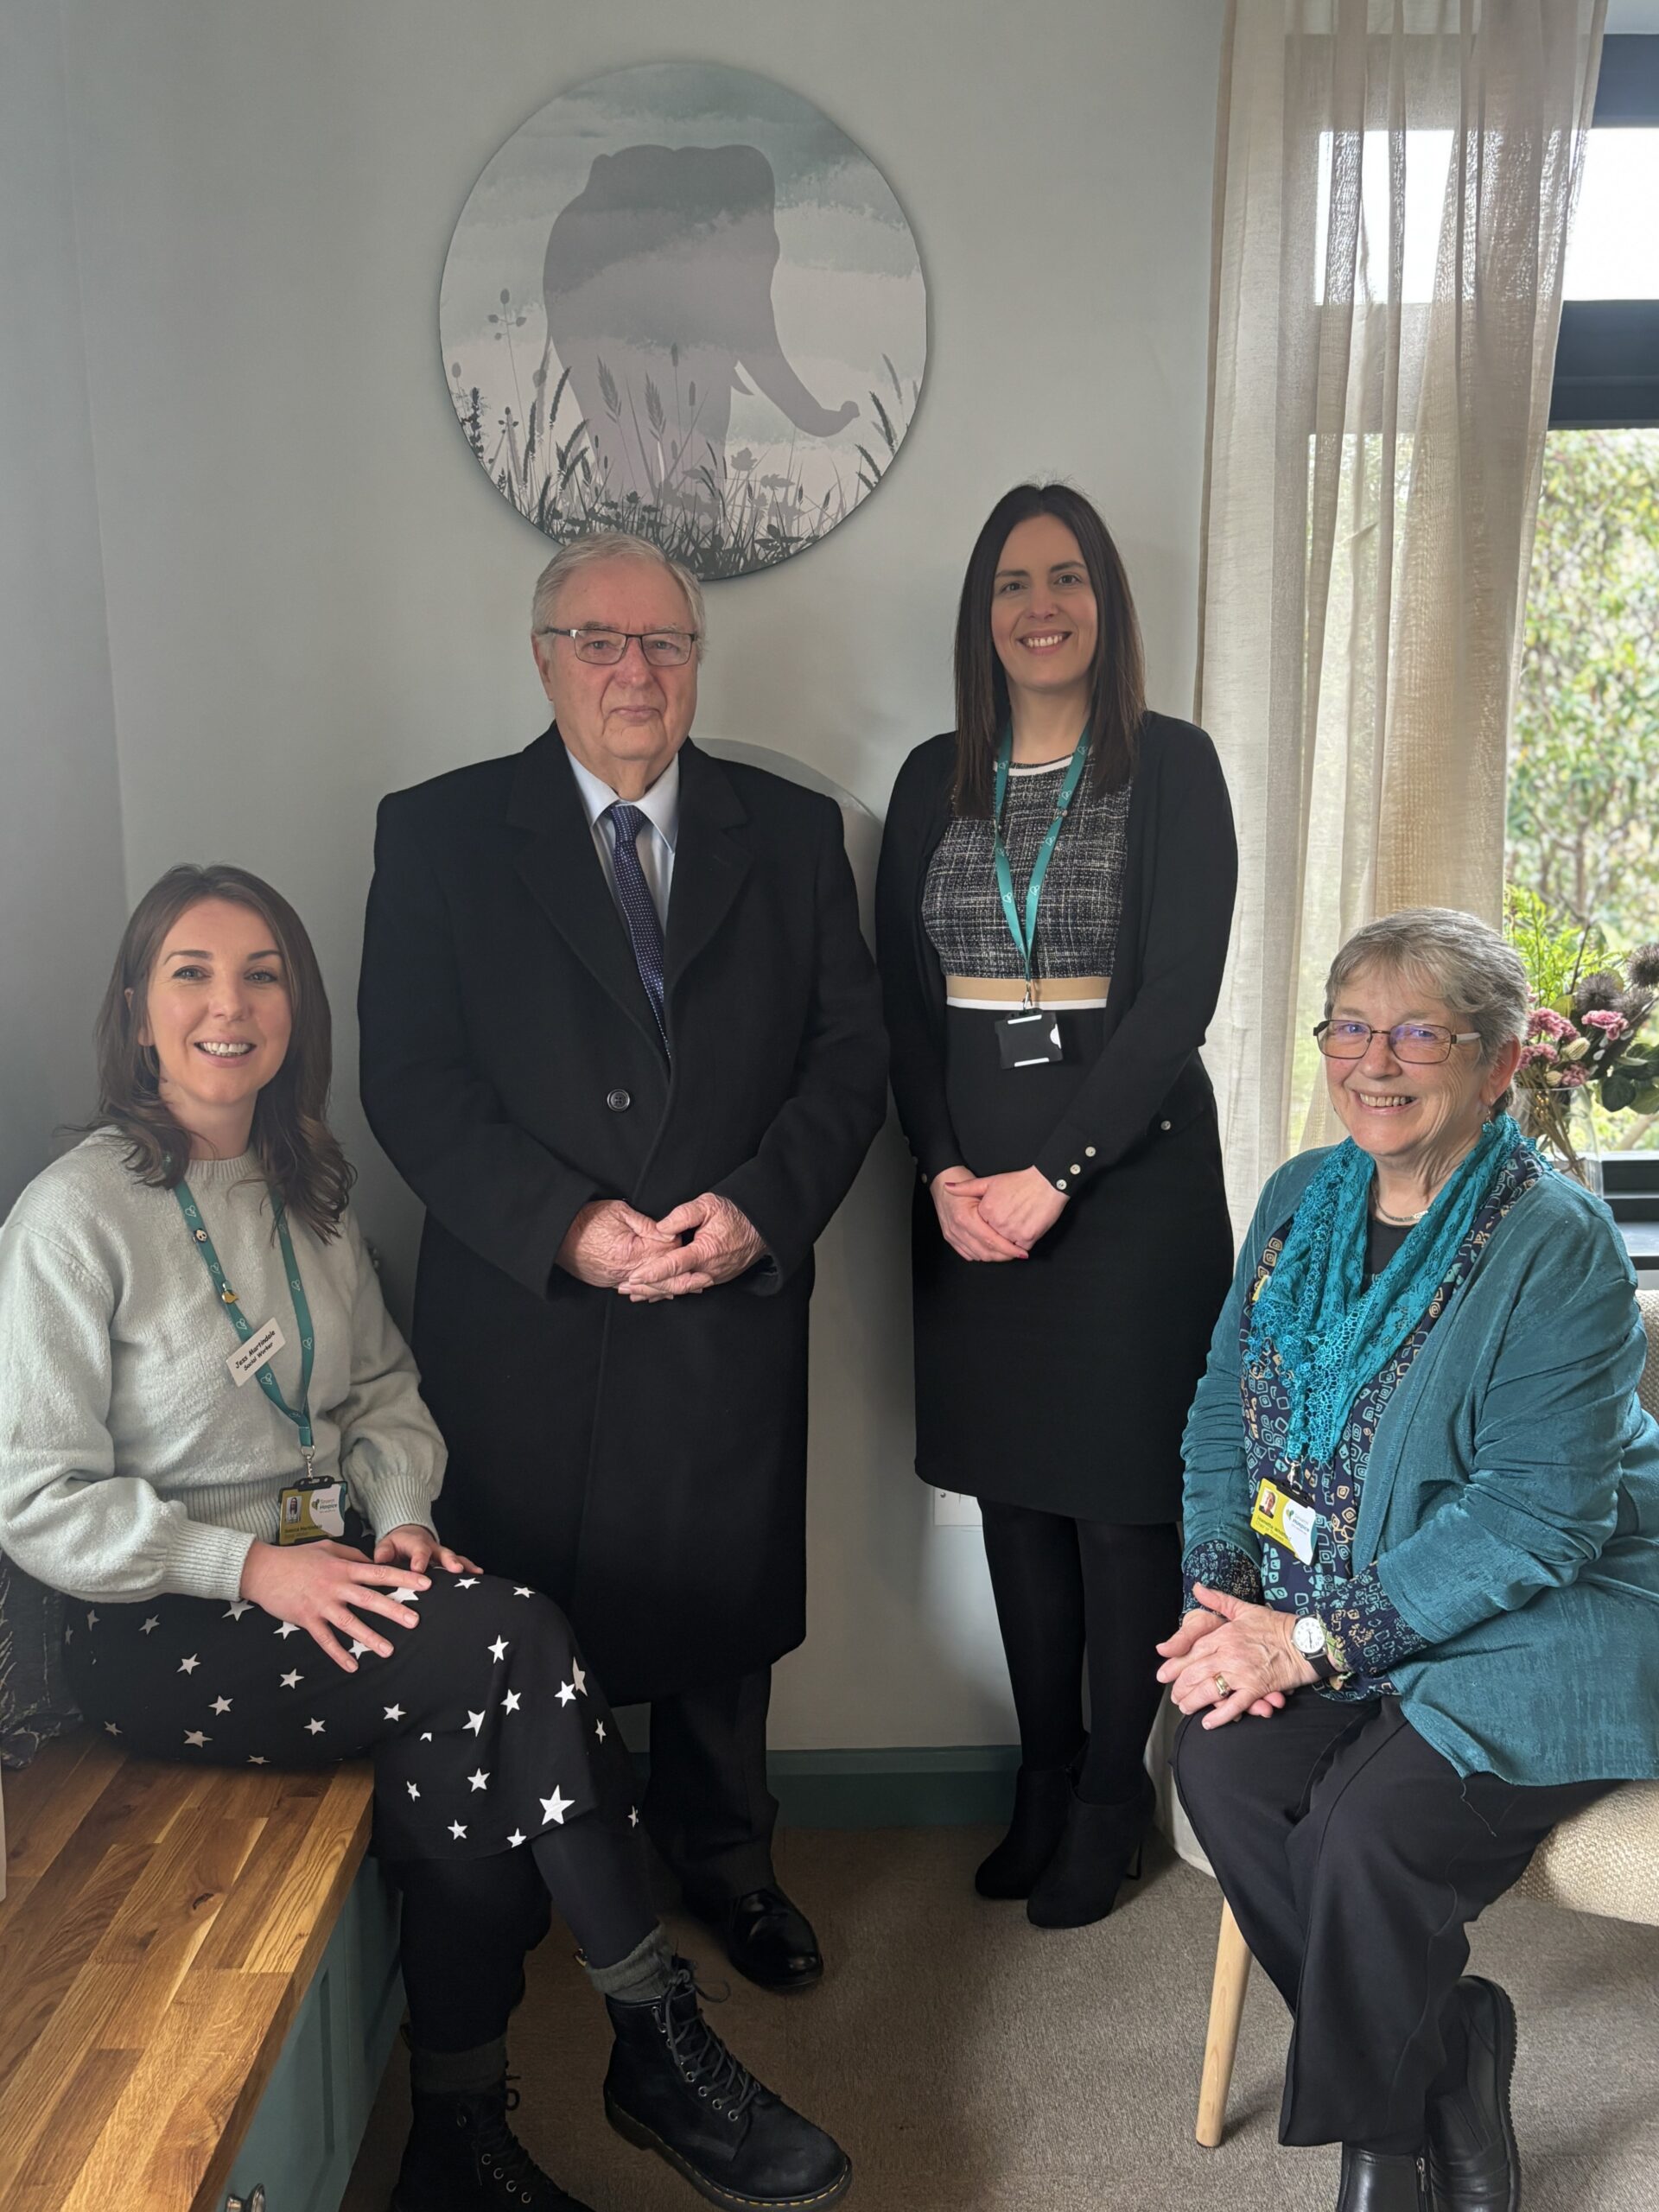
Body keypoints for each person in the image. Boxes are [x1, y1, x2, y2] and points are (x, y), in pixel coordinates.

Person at [0, 864, 852, 2212]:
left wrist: (397, 1521)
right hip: (162, 1625)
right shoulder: (71, 1217)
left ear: (298, 1008)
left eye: (264, 973)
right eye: (193, 973)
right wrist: (252, 1568)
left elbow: (383, 1394)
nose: (232, 1005)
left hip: (328, 1571)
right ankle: (655, 2039)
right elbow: (34, 1498)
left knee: (462, 1746)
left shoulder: (308, 1189)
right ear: (135, 1008)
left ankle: (456, 2143)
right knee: (517, 1640)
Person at [358, 535, 887, 1993]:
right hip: (528, 1308)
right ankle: (528, 1892)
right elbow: (410, 1080)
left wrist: (763, 1210)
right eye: (598, 641)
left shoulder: (789, 835)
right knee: (525, 1618)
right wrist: (568, 1228)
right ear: (543, 658)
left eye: (662, 644)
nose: (633, 671)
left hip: (726, 1289)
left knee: (721, 1618)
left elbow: (851, 1059)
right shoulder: (442, 832)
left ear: (697, 663)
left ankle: (732, 1863)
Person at [1162, 907, 1659, 2212]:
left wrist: (1311, 1641)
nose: (1374, 1061)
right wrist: (1226, 1599)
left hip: (1559, 1596)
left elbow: (1540, 1522)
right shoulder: (1296, 1200)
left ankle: (1380, 2151)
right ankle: (1449, 2056)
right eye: (1350, 1026)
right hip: (1330, 1592)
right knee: (1216, 1760)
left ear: (1498, 1066)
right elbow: (1227, 1403)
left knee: (1361, 1834)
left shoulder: (1558, 1243)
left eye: (1419, 1032)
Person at [875, 482, 1237, 1926]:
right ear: (982, 615)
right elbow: (902, 1009)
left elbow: (1175, 1005)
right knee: (1017, 1503)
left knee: (1120, 1512)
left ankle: (1109, 1800)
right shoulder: (928, 781)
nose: (1042, 605)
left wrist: (1054, 1175)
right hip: (970, 1197)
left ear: (1106, 605)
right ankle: (1039, 1776)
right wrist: (947, 1171)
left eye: (1069, 577)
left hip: (1127, 1190)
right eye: (1015, 582)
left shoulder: (1171, 768)